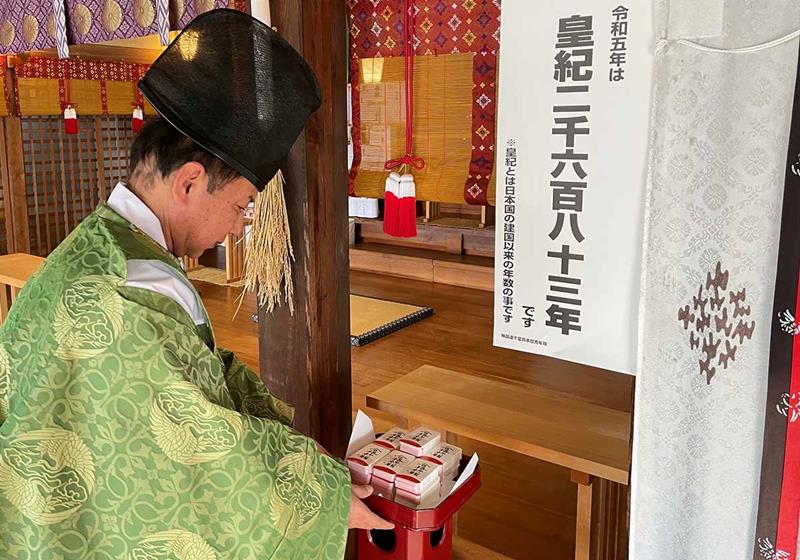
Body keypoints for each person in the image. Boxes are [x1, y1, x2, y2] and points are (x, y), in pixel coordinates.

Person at [0, 9, 391, 559]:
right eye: (240, 206)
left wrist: (301, 458)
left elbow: (190, 388)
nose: (237, 227)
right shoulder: (127, 295)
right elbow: (196, 449)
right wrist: (316, 494)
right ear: (189, 182)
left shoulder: (103, 247)